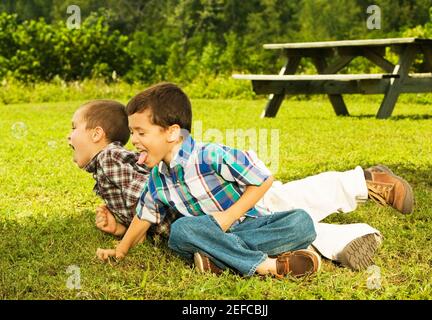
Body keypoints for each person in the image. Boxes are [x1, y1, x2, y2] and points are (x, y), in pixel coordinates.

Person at [96, 82, 322, 278]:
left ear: (172, 133)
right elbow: (142, 218)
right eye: (132, 132)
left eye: (141, 133)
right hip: (201, 233)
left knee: (302, 222)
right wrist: (121, 250)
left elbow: (262, 178)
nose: (133, 140)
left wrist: (228, 216)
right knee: (181, 231)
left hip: (247, 225)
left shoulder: (210, 155)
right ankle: (268, 265)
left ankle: (218, 261)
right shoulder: (157, 179)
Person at [67, 99, 179, 241]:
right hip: (172, 229)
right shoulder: (108, 162)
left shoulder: (108, 158)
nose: (68, 135)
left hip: (181, 221)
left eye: (74, 128)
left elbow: (144, 195)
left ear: (96, 134)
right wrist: (120, 229)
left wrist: (135, 238)